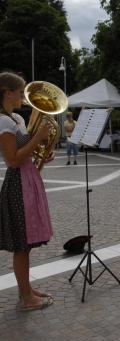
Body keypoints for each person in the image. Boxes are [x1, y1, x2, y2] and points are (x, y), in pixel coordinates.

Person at [0, 72, 54, 310]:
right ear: (7, 92)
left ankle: (27, 290)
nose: (24, 96)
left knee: (27, 243)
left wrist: (44, 151)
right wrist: (38, 138)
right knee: (22, 245)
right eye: (21, 92)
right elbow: (12, 160)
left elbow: (27, 152)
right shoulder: (3, 122)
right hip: (17, 183)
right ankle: (25, 298)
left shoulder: (15, 120)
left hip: (27, 180)